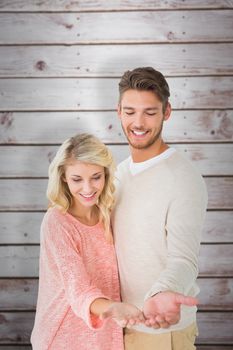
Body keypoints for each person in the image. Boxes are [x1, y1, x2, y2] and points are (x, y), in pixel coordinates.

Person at [111, 67, 208, 350]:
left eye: (149, 112)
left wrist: (164, 292)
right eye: (130, 111)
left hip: (161, 334)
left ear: (167, 112)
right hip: (120, 328)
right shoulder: (119, 174)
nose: (138, 122)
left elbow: (184, 260)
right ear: (118, 111)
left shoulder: (183, 178)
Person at [30, 133, 145, 350]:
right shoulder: (57, 222)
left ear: (106, 174)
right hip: (63, 336)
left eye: (95, 177)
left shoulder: (108, 215)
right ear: (63, 176)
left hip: (106, 333)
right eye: (77, 179)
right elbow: (78, 289)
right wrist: (114, 308)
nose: (88, 188)